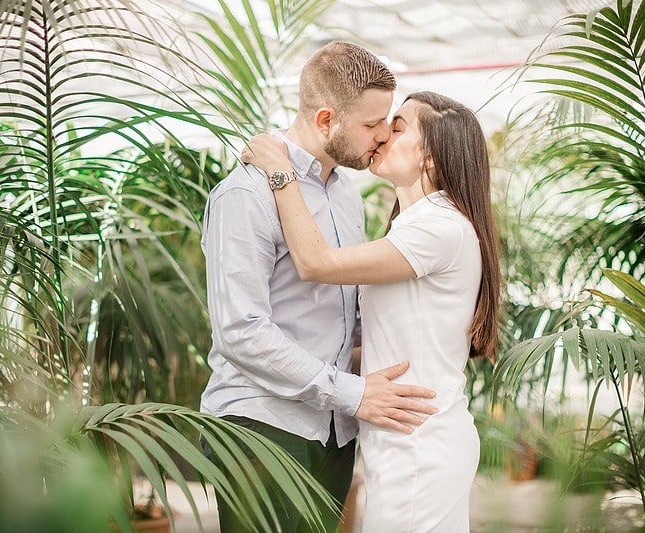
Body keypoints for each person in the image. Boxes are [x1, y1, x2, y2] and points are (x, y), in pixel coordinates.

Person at [199, 41, 438, 532]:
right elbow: (240, 331)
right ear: (326, 119)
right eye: (371, 125)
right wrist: (351, 393)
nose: (381, 137)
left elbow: (340, 311)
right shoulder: (246, 193)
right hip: (262, 427)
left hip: (332, 430)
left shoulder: (346, 193)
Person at [241, 91, 501, 532]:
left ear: (431, 159)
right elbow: (384, 343)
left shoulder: (440, 228)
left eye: (397, 127)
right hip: (402, 439)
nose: (381, 135)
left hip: (420, 447)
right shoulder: (417, 225)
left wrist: (281, 171)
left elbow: (315, 263)